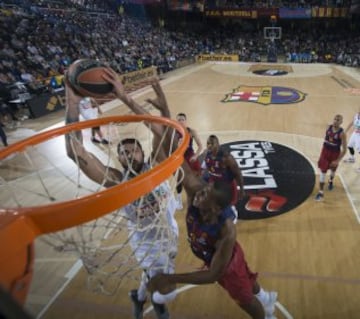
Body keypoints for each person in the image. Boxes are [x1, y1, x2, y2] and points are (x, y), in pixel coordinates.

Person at [147, 92, 278, 319]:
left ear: (216, 207)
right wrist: (163, 112)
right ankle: (266, 297)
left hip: (227, 267)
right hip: (230, 253)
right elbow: (170, 156)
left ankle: (266, 314)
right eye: (203, 189)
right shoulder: (198, 191)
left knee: (245, 299)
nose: (198, 195)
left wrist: (169, 278)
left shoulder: (227, 229)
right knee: (249, 277)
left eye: (205, 194)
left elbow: (212, 274)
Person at [65, 69, 179, 319]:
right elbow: (76, 153)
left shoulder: (154, 167)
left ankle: (137, 297)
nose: (128, 155)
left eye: (133, 151)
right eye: (123, 153)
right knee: (165, 289)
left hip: (169, 231)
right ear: (118, 158)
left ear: (142, 153)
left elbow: (160, 131)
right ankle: (157, 305)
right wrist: (72, 103)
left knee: (157, 275)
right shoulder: (116, 180)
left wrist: (125, 97)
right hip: (145, 242)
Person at [201, 134, 245, 223]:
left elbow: (238, 173)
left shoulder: (226, 158)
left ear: (218, 144)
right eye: (208, 143)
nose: (209, 145)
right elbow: (204, 167)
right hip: (214, 183)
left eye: (212, 144)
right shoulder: (206, 153)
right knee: (214, 206)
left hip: (227, 186)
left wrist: (242, 189)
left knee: (227, 207)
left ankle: (233, 213)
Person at [315, 114, 347, 201]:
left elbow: (344, 150)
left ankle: (331, 181)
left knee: (333, 171)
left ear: (341, 122)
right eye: (335, 119)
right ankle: (321, 193)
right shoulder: (328, 128)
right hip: (325, 152)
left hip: (334, 154)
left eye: (338, 120)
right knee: (323, 171)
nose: (336, 121)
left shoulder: (342, 134)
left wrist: (337, 160)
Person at [175, 112, 203, 210]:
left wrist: (196, 156)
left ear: (186, 121)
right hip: (179, 157)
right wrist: (178, 147)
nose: (181, 121)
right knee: (179, 178)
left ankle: (198, 196)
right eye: (179, 120)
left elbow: (200, 146)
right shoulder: (174, 133)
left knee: (198, 176)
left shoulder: (191, 131)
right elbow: (170, 149)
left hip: (190, 156)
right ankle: (178, 199)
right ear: (176, 121)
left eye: (183, 119)